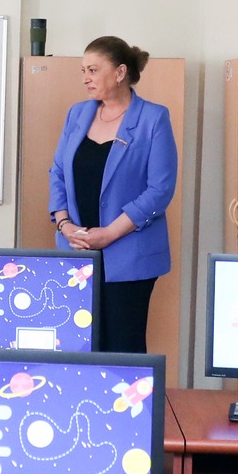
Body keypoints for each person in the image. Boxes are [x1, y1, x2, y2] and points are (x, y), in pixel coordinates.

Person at [46, 36, 178, 354]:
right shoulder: (77, 114)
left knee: (122, 349)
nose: (85, 78)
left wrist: (109, 234)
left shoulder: (153, 118)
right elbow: (58, 172)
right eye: (83, 71)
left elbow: (159, 190)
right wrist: (64, 224)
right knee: (77, 346)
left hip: (128, 255)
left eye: (93, 70)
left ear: (119, 73)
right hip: (77, 250)